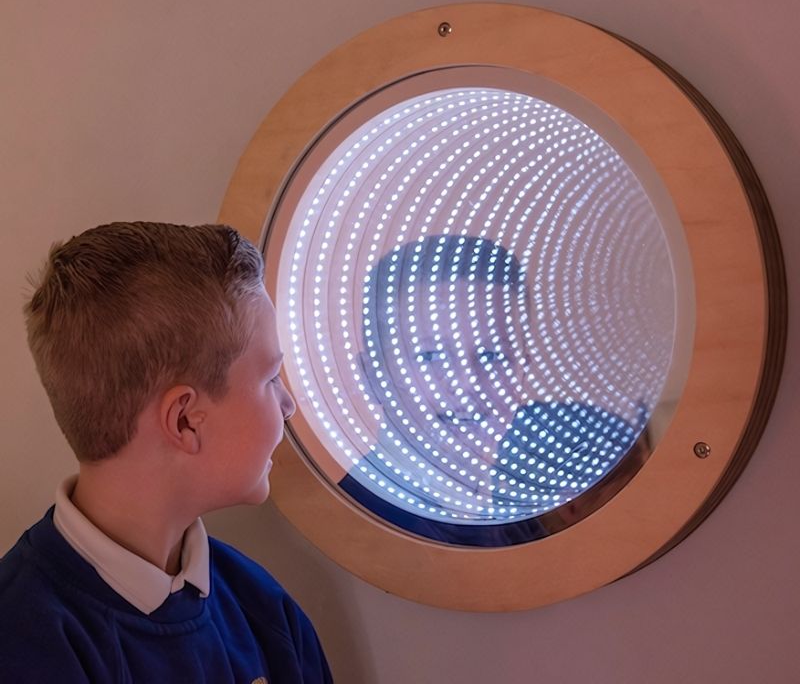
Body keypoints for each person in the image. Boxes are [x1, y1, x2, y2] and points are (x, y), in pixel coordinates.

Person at [0, 222, 333, 683]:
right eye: (270, 378)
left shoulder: (263, 609)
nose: (288, 404)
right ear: (184, 421)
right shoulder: (22, 642)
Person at [339, 235, 647, 547]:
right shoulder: (345, 538)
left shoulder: (523, 536)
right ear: (372, 376)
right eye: (430, 356)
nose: (467, 382)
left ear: (523, 371)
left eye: (492, 356)